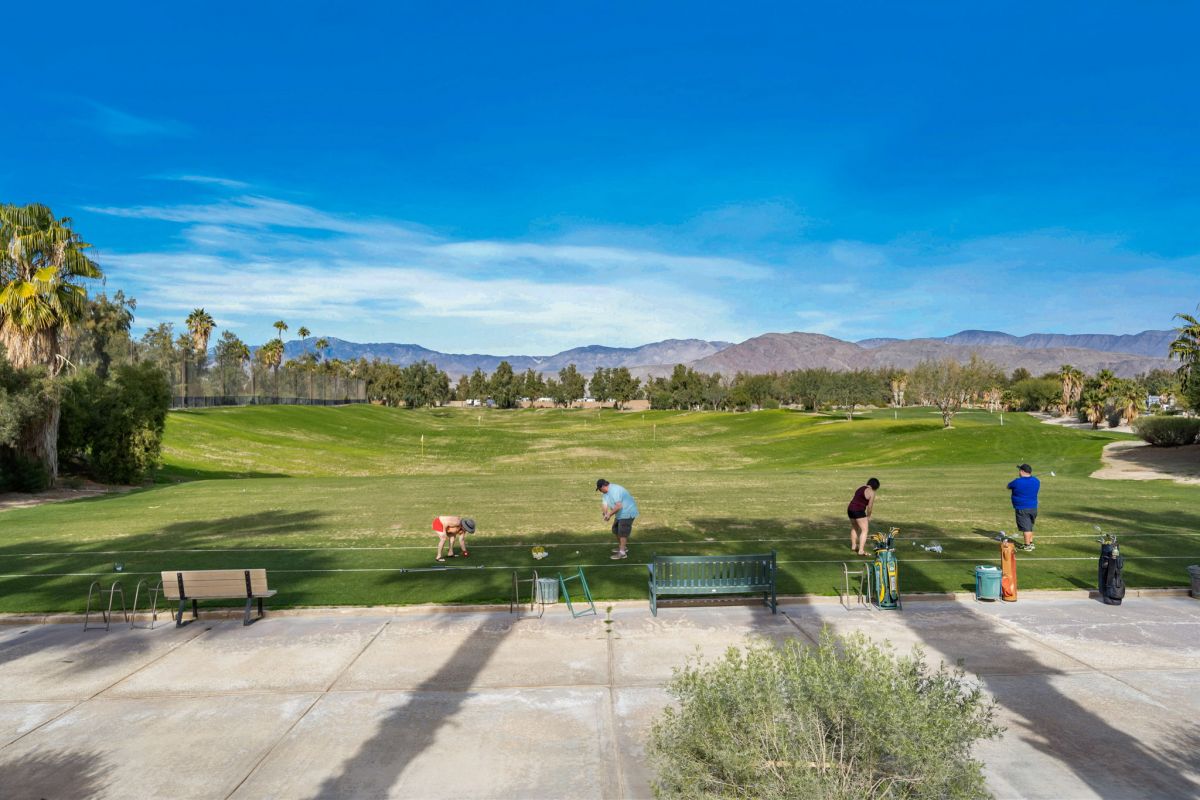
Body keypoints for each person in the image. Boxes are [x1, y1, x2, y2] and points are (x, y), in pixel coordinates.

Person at [596, 478, 639, 560]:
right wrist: (605, 513)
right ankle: (622, 547)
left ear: (603, 486)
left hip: (627, 512)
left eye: (600, 489)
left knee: (622, 532)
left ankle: (622, 553)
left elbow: (619, 506)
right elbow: (604, 503)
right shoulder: (605, 493)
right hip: (620, 514)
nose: (600, 491)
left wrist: (609, 514)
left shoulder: (614, 490)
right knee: (615, 530)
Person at [1007, 464, 1040, 551]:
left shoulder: (1017, 482)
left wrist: (1019, 481)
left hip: (1022, 508)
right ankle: (1031, 543)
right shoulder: (1036, 481)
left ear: (1022, 471)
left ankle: (1027, 545)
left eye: (1019, 470)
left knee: (1026, 528)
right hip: (1033, 507)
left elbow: (1008, 486)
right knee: (1029, 526)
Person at [846, 478, 880, 556]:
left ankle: (854, 546)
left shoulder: (860, 487)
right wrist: (868, 516)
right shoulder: (872, 492)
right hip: (858, 510)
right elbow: (870, 507)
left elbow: (854, 498)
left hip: (850, 509)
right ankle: (861, 550)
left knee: (855, 527)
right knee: (865, 530)